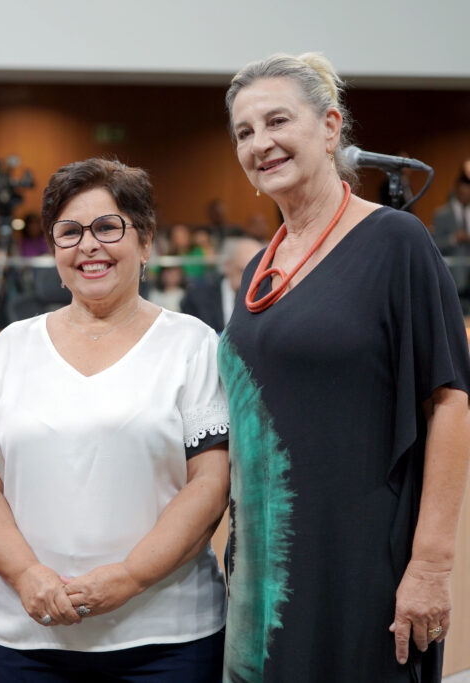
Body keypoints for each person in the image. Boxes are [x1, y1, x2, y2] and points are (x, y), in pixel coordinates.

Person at [220, 53, 470, 682]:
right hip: (264, 565)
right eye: (244, 133)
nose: (261, 143)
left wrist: (431, 566)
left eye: (278, 121)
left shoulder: (395, 242)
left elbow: (451, 401)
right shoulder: (258, 269)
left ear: (330, 128)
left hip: (361, 561)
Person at [0, 158, 230, 682]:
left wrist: (129, 576)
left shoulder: (192, 343)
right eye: (69, 232)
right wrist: (26, 574)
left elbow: (209, 483)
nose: (88, 246)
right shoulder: (10, 347)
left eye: (107, 227)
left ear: (145, 242)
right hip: (28, 638)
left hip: (166, 640)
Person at [180, 237, 263, 334]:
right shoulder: (197, 298)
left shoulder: (267, 298)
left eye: (257, 274)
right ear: (227, 266)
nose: (251, 280)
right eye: (243, 272)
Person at [430, 159, 470, 297]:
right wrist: (454, 239)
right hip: (451, 278)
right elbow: (434, 245)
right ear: (458, 188)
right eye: (466, 187)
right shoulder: (441, 215)